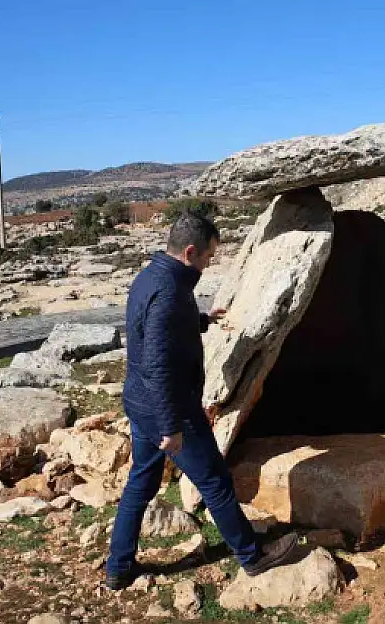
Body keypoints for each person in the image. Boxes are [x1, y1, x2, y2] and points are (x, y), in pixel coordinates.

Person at [104, 211, 300, 590]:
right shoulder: (170, 292)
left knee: (140, 484)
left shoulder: (151, 277)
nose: (209, 265)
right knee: (214, 482)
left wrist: (202, 320)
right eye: (208, 257)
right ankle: (252, 556)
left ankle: (118, 567)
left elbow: (155, 330)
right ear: (190, 251)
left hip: (140, 404)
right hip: (170, 407)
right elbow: (158, 362)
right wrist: (170, 427)